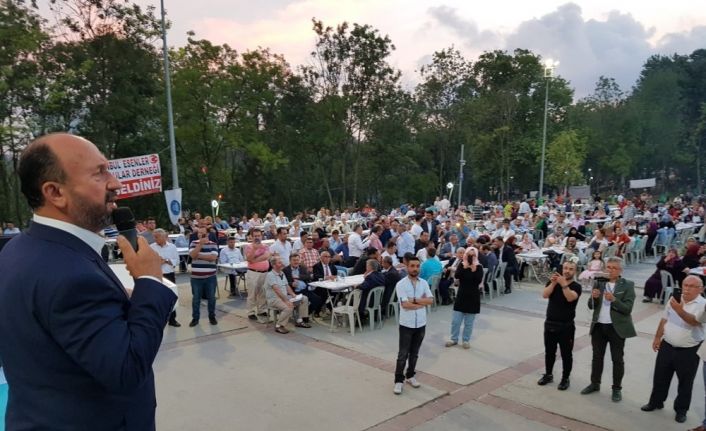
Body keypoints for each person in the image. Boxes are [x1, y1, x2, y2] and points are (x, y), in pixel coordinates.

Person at [0, 133, 177, 430]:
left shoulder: (17, 250)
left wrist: (116, 304)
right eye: (99, 173)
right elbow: (126, 369)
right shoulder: (70, 275)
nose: (116, 183)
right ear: (55, 192)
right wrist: (150, 281)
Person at [641, 276, 706, 424]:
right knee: (660, 376)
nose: (687, 289)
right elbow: (665, 318)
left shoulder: (703, 305)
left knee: (685, 382)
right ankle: (656, 402)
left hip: (689, 350)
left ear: (701, 289)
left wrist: (679, 309)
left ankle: (681, 410)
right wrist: (658, 337)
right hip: (667, 345)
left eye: (692, 286)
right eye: (685, 285)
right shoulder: (674, 299)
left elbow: (694, 321)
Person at [582, 257, 636, 402]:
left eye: (614, 268)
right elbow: (591, 306)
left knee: (617, 359)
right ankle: (595, 383)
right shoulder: (599, 282)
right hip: (599, 326)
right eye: (609, 267)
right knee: (597, 357)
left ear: (620, 271)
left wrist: (614, 300)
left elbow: (627, 309)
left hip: (616, 328)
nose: (610, 270)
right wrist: (594, 298)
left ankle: (617, 388)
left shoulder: (628, 285)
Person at [537, 261, 582, 391]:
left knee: (566, 354)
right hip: (550, 323)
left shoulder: (576, 286)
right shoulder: (554, 282)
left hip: (566, 326)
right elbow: (545, 295)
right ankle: (548, 374)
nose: (567, 271)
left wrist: (563, 285)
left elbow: (570, 298)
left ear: (575, 271)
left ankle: (565, 378)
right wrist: (553, 283)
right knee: (549, 352)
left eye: (571, 269)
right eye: (565, 268)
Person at [393, 257, 434, 395]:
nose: (415, 268)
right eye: (412, 266)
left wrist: (414, 301)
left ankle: (410, 376)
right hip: (406, 324)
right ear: (407, 267)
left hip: (421, 323)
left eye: (417, 266)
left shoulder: (423, 283)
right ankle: (399, 380)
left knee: (415, 353)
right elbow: (405, 305)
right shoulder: (401, 284)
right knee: (403, 354)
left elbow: (431, 300)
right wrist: (421, 303)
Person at [445, 248, 484, 349]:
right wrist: (465, 267)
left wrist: (473, 269)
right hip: (461, 295)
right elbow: (457, 276)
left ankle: (466, 340)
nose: (471, 257)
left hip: (473, 297)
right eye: (469, 255)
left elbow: (477, 281)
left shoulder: (479, 267)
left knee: (469, 322)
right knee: (456, 321)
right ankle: (454, 339)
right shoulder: (462, 264)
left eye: (473, 255)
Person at [264, 256, 311, 334]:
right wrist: (286, 301)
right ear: (274, 265)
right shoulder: (270, 275)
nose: (282, 263)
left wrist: (293, 295)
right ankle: (279, 326)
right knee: (289, 307)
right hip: (274, 299)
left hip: (283, 297)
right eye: (279, 262)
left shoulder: (281, 273)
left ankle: (299, 320)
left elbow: (287, 285)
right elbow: (276, 289)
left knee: (304, 298)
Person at [189, 226, 219, 326]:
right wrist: (200, 245)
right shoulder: (193, 243)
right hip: (196, 277)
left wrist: (199, 255)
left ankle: (212, 316)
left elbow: (213, 258)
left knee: (211, 298)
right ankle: (195, 318)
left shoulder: (213, 244)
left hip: (210, 276)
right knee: (196, 299)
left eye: (203, 233)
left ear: (208, 234)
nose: (201, 235)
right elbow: (192, 256)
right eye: (199, 233)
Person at [151, 228, 181, 327]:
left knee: (171, 296)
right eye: (154, 237)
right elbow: (148, 262)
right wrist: (157, 262)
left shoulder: (172, 247)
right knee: (158, 298)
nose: (155, 239)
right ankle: (159, 320)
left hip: (169, 275)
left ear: (164, 237)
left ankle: (172, 319)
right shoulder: (151, 247)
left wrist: (166, 260)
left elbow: (177, 261)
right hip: (156, 274)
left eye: (157, 237)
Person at [245, 227, 271, 322]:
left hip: (265, 272)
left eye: (258, 236)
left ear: (261, 236)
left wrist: (255, 259)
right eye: (255, 236)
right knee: (252, 293)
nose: (257, 237)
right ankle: (251, 311)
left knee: (263, 292)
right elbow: (248, 258)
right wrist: (254, 250)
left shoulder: (265, 246)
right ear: (251, 237)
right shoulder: (249, 247)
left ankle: (261, 309)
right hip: (253, 272)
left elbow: (267, 256)